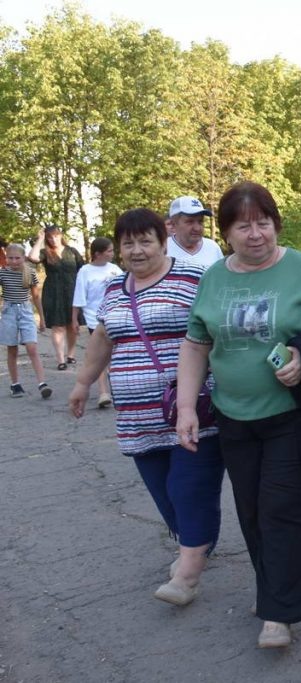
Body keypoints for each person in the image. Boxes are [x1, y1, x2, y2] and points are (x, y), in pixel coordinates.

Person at [175, 181, 301, 649]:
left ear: (276, 223)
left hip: (291, 416)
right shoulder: (214, 278)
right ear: (225, 233)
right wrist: (186, 408)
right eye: (243, 226)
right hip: (233, 417)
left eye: (263, 222)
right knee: (251, 510)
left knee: (282, 508)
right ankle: (271, 591)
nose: (256, 233)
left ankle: (280, 614)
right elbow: (195, 346)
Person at [68, 209, 223, 608]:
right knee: (165, 494)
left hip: (191, 410)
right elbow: (103, 338)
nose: (136, 250)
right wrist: (83, 383)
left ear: (163, 242)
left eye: (145, 241)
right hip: (137, 418)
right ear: (119, 249)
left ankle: (187, 575)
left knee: (188, 488)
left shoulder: (194, 279)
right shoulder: (114, 288)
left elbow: (218, 332)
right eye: (128, 243)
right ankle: (196, 543)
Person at [71, 237, 122, 408]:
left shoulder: (115, 269)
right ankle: (103, 392)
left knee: (115, 355)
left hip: (116, 316)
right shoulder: (85, 271)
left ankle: (117, 387)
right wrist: (74, 319)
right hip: (95, 319)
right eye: (109, 251)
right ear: (98, 254)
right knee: (100, 355)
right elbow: (79, 295)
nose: (112, 253)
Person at [28, 224, 84, 370]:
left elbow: (83, 271)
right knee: (58, 326)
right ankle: (60, 360)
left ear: (60, 235)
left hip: (72, 292)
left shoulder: (72, 252)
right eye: (49, 237)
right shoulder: (45, 253)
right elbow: (32, 257)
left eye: (55, 236)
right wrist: (40, 239)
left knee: (71, 325)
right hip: (53, 293)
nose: (53, 239)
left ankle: (70, 354)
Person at [1, 243, 51, 399]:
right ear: (6, 258)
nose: (14, 261)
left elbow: (36, 297)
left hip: (26, 311)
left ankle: (42, 383)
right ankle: (15, 384)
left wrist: (42, 318)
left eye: (17, 258)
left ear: (24, 258)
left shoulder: (30, 273)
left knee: (32, 347)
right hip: (9, 312)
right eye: (11, 258)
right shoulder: (2, 274)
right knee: (12, 349)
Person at [165, 196, 224, 269]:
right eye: (190, 221)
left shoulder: (212, 247)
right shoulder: (163, 248)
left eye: (200, 221)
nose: (197, 228)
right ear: (174, 224)